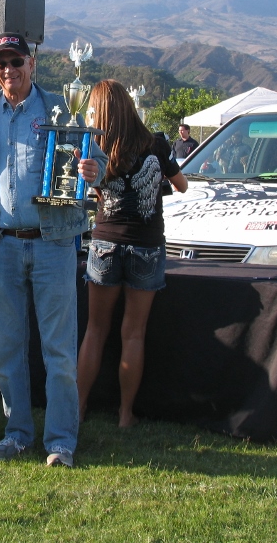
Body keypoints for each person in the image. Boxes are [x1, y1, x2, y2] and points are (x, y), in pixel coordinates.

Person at [0, 34, 107, 468]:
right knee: (8, 351)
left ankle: (60, 442)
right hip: (2, 248)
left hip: (52, 245)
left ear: (32, 63)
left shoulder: (60, 107)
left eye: (16, 61)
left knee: (59, 352)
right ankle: (16, 434)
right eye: (1, 64)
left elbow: (97, 158)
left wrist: (94, 169)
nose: (9, 70)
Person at [76, 80, 188, 428]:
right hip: (147, 245)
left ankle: (76, 410)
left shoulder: (94, 146)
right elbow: (182, 185)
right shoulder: (155, 143)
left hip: (105, 242)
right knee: (133, 333)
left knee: (95, 330)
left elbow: (91, 193)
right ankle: (126, 415)